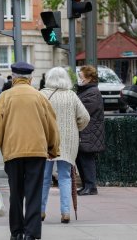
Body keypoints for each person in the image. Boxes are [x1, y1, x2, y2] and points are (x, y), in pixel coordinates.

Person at [0, 61, 60, 240]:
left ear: (14, 77)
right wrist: (53, 148)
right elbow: (51, 126)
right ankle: (31, 233)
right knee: (34, 193)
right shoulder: (40, 97)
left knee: (15, 193)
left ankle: (16, 232)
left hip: (13, 153)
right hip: (37, 152)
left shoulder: (5, 98)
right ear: (31, 78)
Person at [40, 67, 90, 223]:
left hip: (47, 140)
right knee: (65, 176)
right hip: (68, 141)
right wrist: (75, 128)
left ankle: (40, 211)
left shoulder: (42, 95)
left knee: (44, 177)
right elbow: (85, 117)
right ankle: (66, 212)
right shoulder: (71, 96)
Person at [76, 65, 105, 196]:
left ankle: (91, 186)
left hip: (89, 132)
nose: (79, 79)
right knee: (81, 159)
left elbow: (84, 111)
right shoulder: (85, 90)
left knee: (86, 160)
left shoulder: (92, 92)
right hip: (86, 131)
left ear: (89, 78)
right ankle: (86, 185)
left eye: (81, 76)